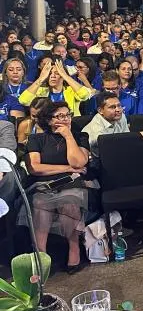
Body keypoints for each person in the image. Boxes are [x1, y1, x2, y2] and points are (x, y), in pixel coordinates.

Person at [25, 101, 89, 273]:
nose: (66, 119)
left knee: (69, 203)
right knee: (41, 204)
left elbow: (79, 162)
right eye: (60, 116)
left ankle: (74, 249)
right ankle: (41, 255)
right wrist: (67, 168)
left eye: (68, 115)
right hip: (43, 183)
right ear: (49, 120)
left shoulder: (80, 136)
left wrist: (68, 136)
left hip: (71, 183)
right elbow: (35, 168)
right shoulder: (36, 139)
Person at [19, 58, 92, 117]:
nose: (52, 76)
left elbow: (85, 94)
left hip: (70, 125)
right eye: (49, 73)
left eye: (57, 73)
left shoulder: (71, 90)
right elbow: (23, 101)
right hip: (46, 126)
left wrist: (65, 75)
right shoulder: (40, 91)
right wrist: (41, 78)